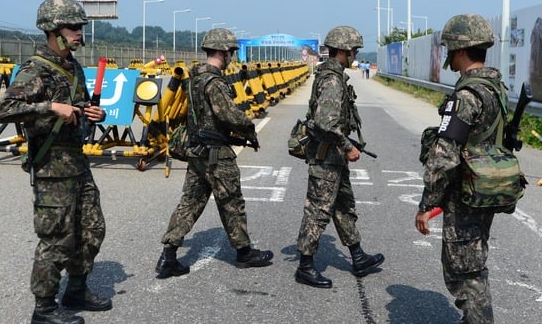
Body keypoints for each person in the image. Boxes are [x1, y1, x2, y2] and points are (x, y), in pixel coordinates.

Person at [0, 0, 110, 324]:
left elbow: (80, 109)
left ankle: (76, 288)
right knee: (56, 238)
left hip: (78, 163)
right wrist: (49, 108)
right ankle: (44, 307)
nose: (79, 32)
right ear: (53, 30)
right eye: (72, 27)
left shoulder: (73, 68)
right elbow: (5, 111)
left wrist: (93, 113)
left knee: (91, 228)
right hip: (51, 167)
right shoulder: (35, 70)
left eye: (80, 27)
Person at [155, 28, 273, 279]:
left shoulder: (194, 79)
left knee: (190, 203)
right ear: (222, 51)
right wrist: (249, 128)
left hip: (196, 151)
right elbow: (228, 114)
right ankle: (244, 253)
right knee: (232, 202)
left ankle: (168, 256)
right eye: (231, 51)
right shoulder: (215, 81)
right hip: (216, 153)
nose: (232, 56)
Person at [415, 14, 508, 324]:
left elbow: (443, 157)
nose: (448, 56)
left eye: (450, 49)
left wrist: (428, 204)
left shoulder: (466, 96)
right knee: (472, 263)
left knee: (464, 273)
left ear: (459, 49)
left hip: (466, 194)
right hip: (485, 188)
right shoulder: (496, 88)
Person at [294, 26, 385, 289]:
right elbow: (326, 122)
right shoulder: (333, 80)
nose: (356, 53)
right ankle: (305, 266)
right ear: (344, 50)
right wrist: (347, 146)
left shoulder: (331, 76)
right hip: (327, 156)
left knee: (344, 206)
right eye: (354, 49)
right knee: (318, 211)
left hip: (333, 157)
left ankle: (358, 256)